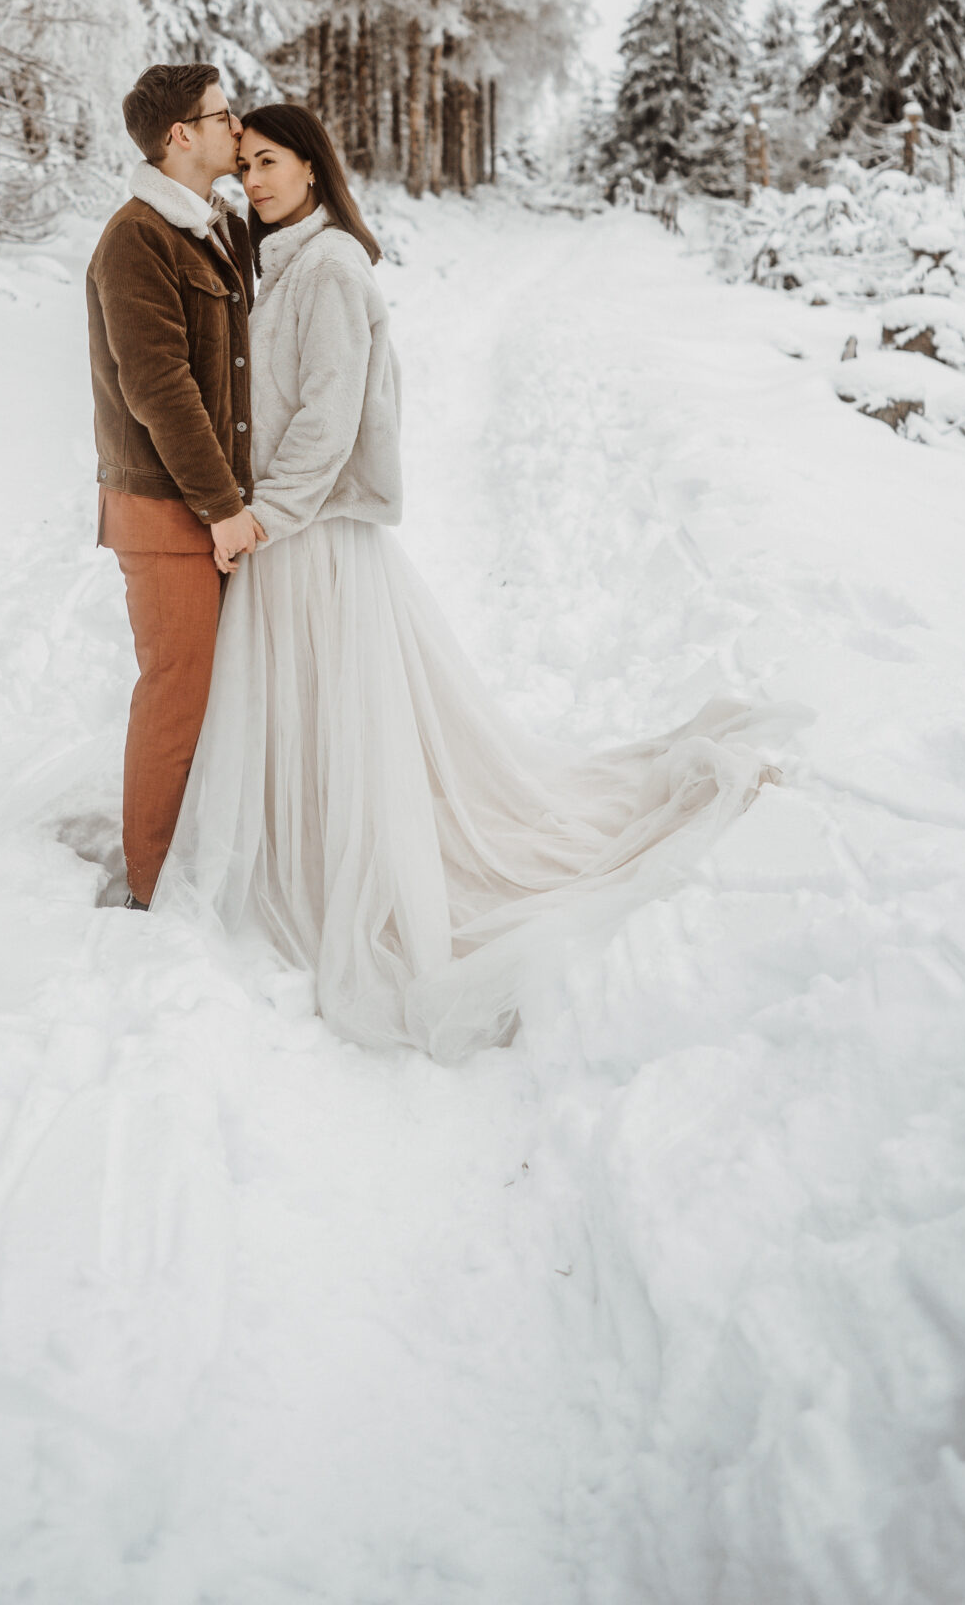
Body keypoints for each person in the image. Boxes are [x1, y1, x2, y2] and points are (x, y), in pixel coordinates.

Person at [153, 101, 787, 1060]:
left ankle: (351, 864)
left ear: (315, 168)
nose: (256, 180)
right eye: (244, 166)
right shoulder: (277, 256)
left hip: (310, 535)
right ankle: (303, 838)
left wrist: (264, 517)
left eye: (272, 161)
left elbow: (328, 417)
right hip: (283, 531)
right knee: (312, 715)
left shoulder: (328, 266)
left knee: (335, 713)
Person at [86, 65, 266, 910]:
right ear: (178, 137)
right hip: (167, 510)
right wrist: (222, 508)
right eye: (223, 116)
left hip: (213, 503)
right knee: (177, 693)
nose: (239, 128)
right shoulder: (137, 239)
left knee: (219, 691)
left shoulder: (214, 228)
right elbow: (157, 388)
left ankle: (208, 851)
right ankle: (151, 886)